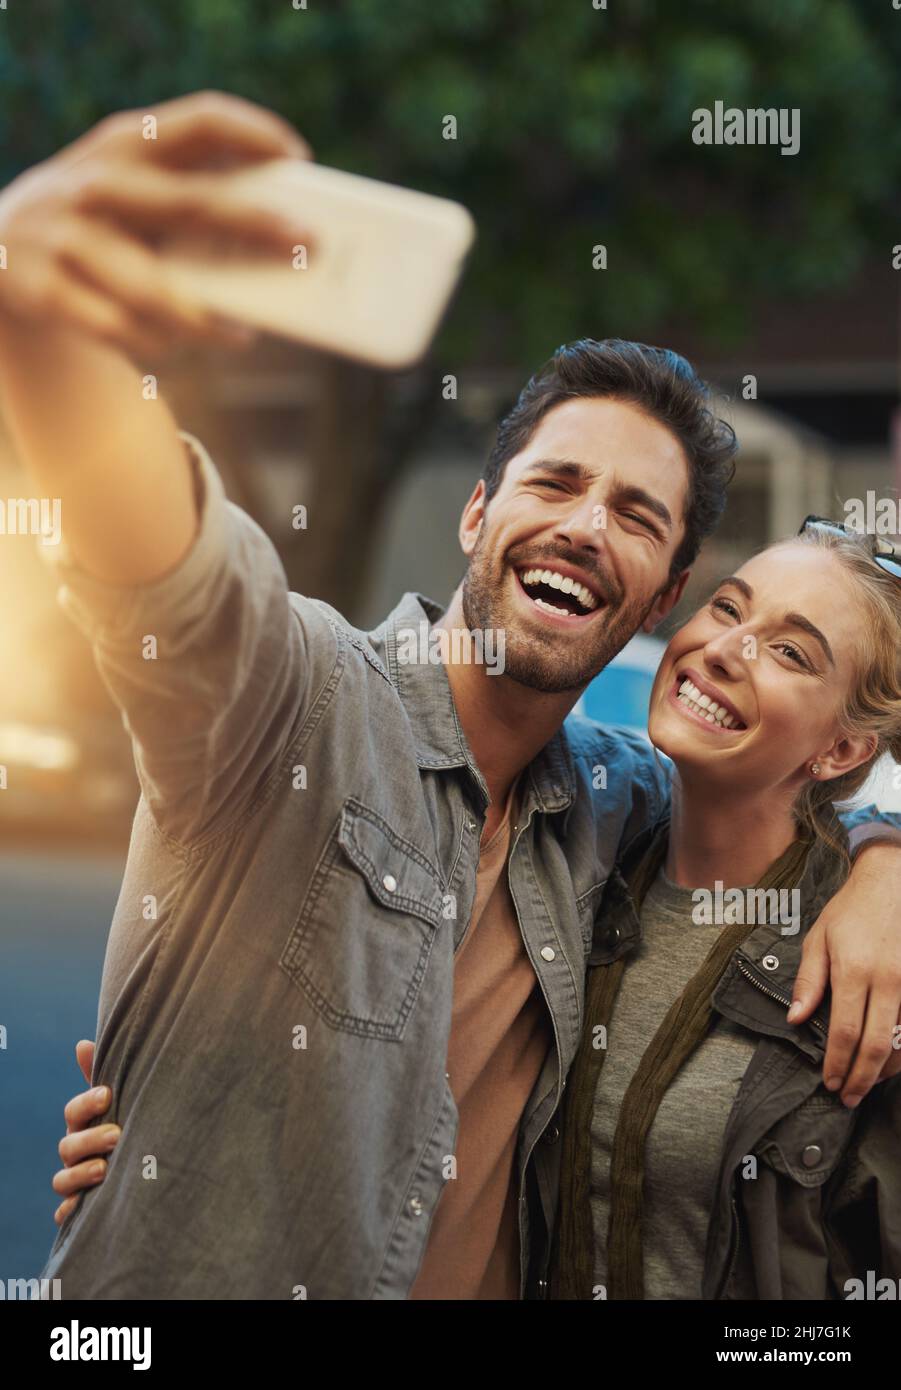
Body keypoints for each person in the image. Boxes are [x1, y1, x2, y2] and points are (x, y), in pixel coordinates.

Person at [2, 91, 899, 1300]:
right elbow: (170, 569)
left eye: (635, 517)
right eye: (556, 482)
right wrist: (41, 327)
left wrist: (885, 859)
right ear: (480, 513)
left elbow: (800, 779)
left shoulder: (621, 802)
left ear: (658, 595)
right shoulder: (297, 698)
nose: (586, 526)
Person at [545, 521, 901, 1300]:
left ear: (841, 751)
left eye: (788, 653)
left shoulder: (868, 967)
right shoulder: (575, 853)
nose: (722, 649)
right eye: (729, 608)